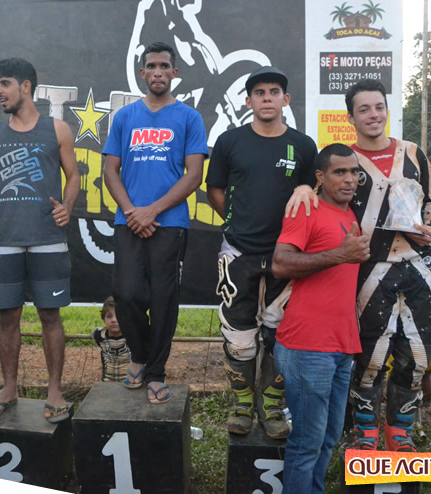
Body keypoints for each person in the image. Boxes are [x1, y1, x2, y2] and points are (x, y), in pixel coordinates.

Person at [0, 58, 80, 422]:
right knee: (8, 318)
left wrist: (67, 207)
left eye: (4, 83)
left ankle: (55, 391)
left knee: (50, 316)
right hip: (3, 239)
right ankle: (9, 388)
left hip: (47, 238)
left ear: (25, 87)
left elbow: (73, 176)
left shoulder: (58, 129)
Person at [205, 66, 318, 437]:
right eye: (259, 93)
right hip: (239, 252)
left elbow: (311, 193)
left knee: (280, 334)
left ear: (286, 100)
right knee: (238, 335)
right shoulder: (229, 141)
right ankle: (242, 404)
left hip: (288, 254)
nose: (267, 98)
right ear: (248, 101)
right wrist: (237, 222)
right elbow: (215, 189)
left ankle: (271, 407)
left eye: (273, 92)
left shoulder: (304, 145)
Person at [334, 79, 431, 452]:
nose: (373, 115)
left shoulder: (413, 153)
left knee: (416, 353)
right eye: (363, 109)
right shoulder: (343, 159)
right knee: (370, 353)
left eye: (379, 107)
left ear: (387, 110)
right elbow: (326, 204)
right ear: (351, 117)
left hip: (417, 267)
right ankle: (364, 433)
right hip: (369, 268)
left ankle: (400, 434)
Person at [102, 41, 208, 405]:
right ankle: (141, 355)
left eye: (164, 66)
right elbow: (109, 171)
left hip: (170, 223)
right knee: (127, 294)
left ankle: (156, 372)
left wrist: (153, 211)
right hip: (128, 221)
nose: (158, 72)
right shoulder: (125, 117)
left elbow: (194, 175)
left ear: (174, 73)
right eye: (152, 66)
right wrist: (134, 211)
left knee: (164, 299)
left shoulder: (189, 118)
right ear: (142, 72)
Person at [271, 143, 369, 493]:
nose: (349, 179)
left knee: (328, 438)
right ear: (320, 177)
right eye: (339, 172)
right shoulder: (306, 208)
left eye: (354, 172)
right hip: (307, 346)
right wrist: (339, 254)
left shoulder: (351, 214)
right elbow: (280, 264)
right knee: (307, 443)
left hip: (341, 345)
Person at [92, 297, 131, 382]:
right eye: (109, 316)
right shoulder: (99, 336)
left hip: (130, 382)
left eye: (119, 316)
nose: (114, 320)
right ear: (103, 319)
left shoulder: (133, 337)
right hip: (107, 381)